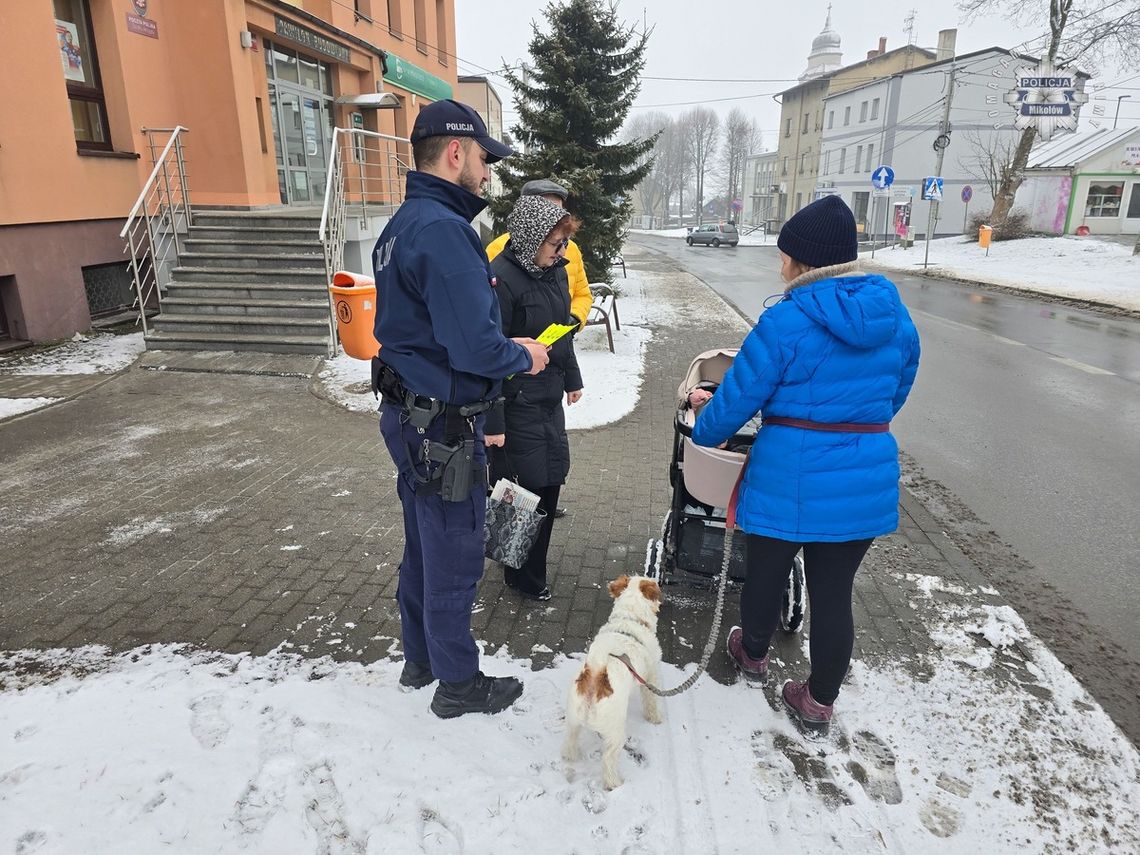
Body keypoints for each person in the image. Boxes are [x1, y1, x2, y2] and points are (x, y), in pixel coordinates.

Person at [690, 195, 920, 736]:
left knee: (765, 575)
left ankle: (752, 654)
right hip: (864, 475)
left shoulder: (787, 320)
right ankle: (818, 700)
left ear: (801, 260)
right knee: (834, 594)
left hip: (787, 476)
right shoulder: (895, 317)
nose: (780, 264)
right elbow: (897, 389)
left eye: (784, 255)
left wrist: (705, 428)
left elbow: (741, 395)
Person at [371, 99, 551, 720]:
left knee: (423, 545)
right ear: (455, 152)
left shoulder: (401, 225)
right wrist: (522, 355)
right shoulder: (446, 232)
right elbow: (474, 345)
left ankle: (420, 658)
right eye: (482, 158)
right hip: (443, 428)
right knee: (452, 554)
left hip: (410, 418)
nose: (486, 171)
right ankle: (457, 684)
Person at [484, 196, 584, 601]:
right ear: (529, 238)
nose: (562, 253)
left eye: (564, 244)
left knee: (549, 483)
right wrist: (492, 421)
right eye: (555, 243)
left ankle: (522, 567)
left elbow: (561, 330)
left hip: (547, 398)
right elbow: (486, 354)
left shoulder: (555, 272)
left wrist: (572, 377)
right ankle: (523, 576)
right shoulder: (499, 280)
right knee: (521, 490)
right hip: (513, 401)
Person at [485, 179, 592, 331]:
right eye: (548, 210)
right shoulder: (498, 252)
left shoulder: (570, 250)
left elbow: (583, 294)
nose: (555, 219)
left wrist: (573, 318)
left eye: (559, 211)